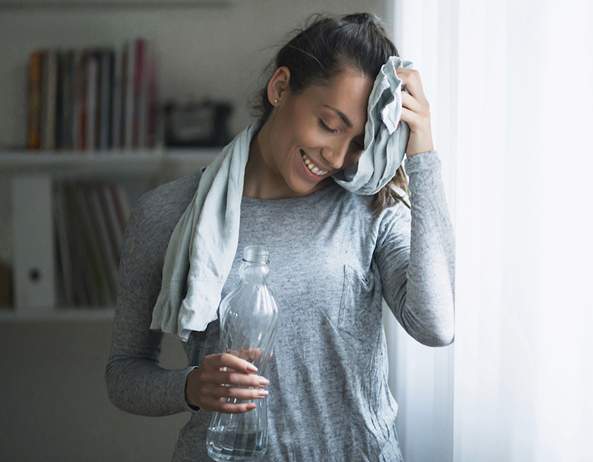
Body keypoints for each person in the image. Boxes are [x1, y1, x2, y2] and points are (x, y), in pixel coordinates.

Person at [105, 12, 454, 462]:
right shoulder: (169, 214)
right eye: (329, 124)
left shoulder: (370, 207)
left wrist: (422, 151)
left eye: (358, 143)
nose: (336, 155)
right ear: (280, 87)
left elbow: (436, 325)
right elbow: (124, 374)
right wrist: (191, 386)